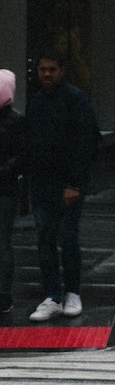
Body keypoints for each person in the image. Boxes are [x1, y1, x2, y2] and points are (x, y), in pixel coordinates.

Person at [25, 52, 101, 321]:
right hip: (42, 183)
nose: (46, 74)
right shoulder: (36, 101)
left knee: (68, 238)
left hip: (66, 184)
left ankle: (72, 292)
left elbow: (86, 144)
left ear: (62, 70)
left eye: (52, 69)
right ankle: (52, 295)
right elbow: (31, 143)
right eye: (43, 69)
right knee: (45, 239)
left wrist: (74, 183)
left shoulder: (76, 100)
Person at [0, 70, 29, 316]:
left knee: (3, 241)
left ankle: (3, 293)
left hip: (6, 188)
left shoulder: (17, 122)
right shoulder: (18, 121)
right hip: (7, 187)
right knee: (3, 241)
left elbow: (22, 156)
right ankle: (3, 294)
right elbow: (22, 155)